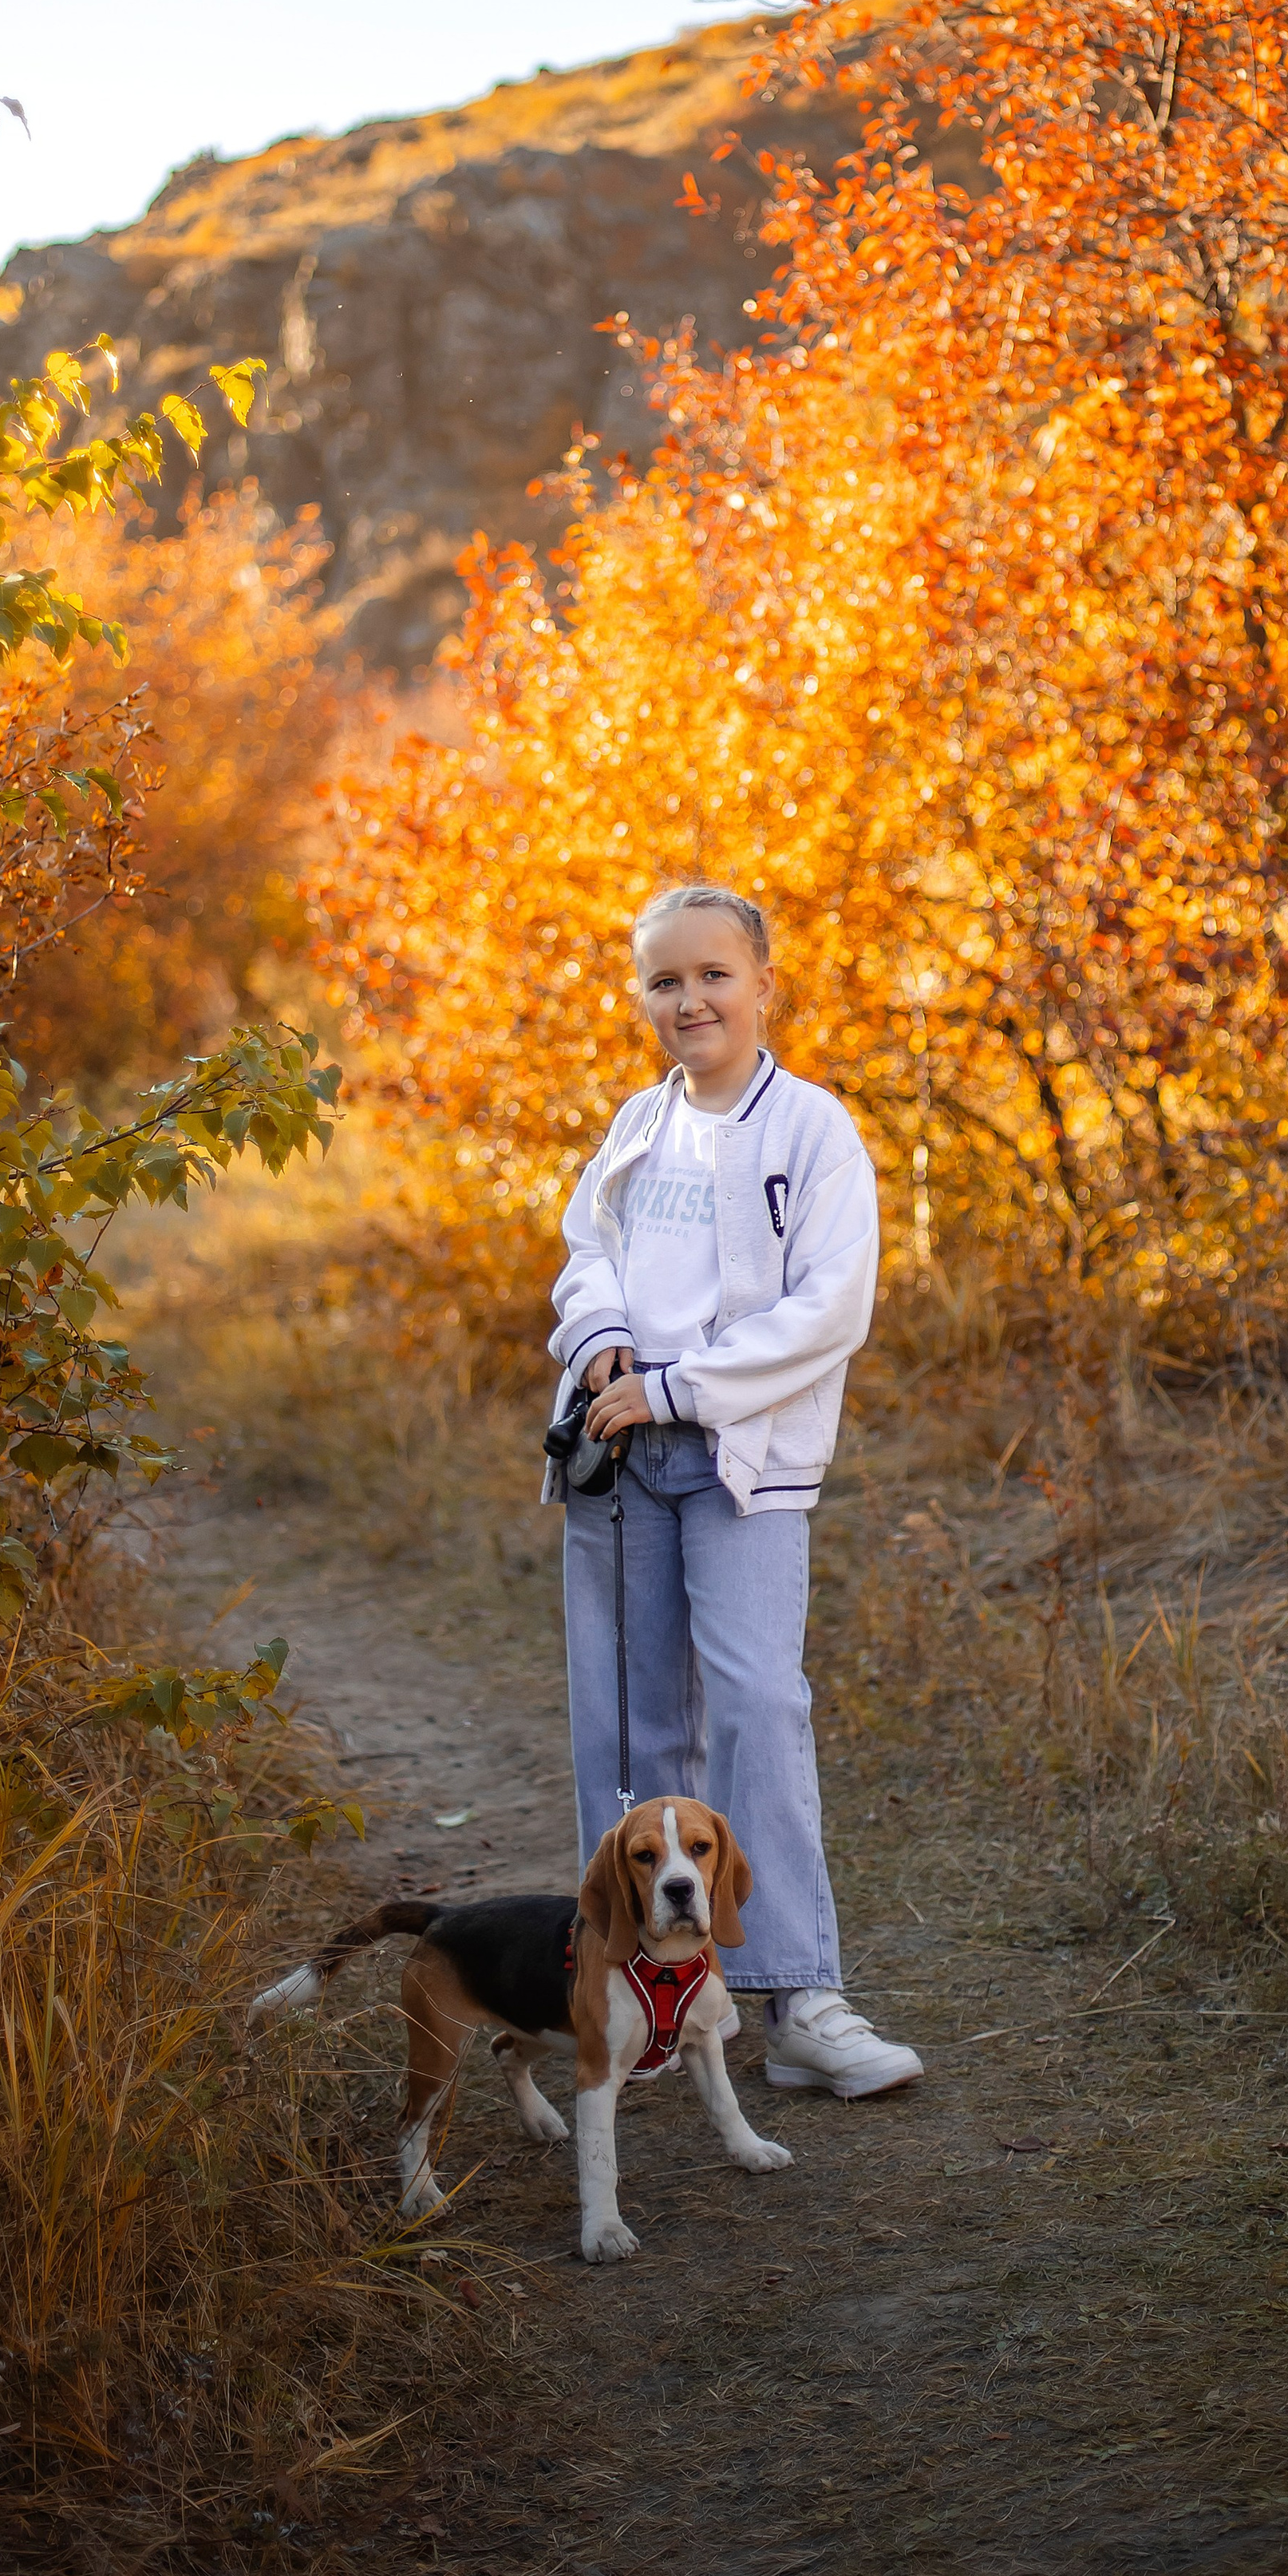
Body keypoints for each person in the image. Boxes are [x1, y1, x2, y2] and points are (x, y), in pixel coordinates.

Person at [543, 882, 922, 2100]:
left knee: (759, 1703)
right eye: (665, 980)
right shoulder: (636, 1127)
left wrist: (678, 1388)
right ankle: (656, 2003)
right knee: (640, 1724)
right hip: (621, 1451)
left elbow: (830, 1311)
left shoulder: (812, 1133)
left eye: (714, 974)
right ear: (641, 996)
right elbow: (584, 1250)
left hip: (738, 1457)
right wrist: (601, 1340)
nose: (690, 998)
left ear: (764, 983)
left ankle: (803, 1996)